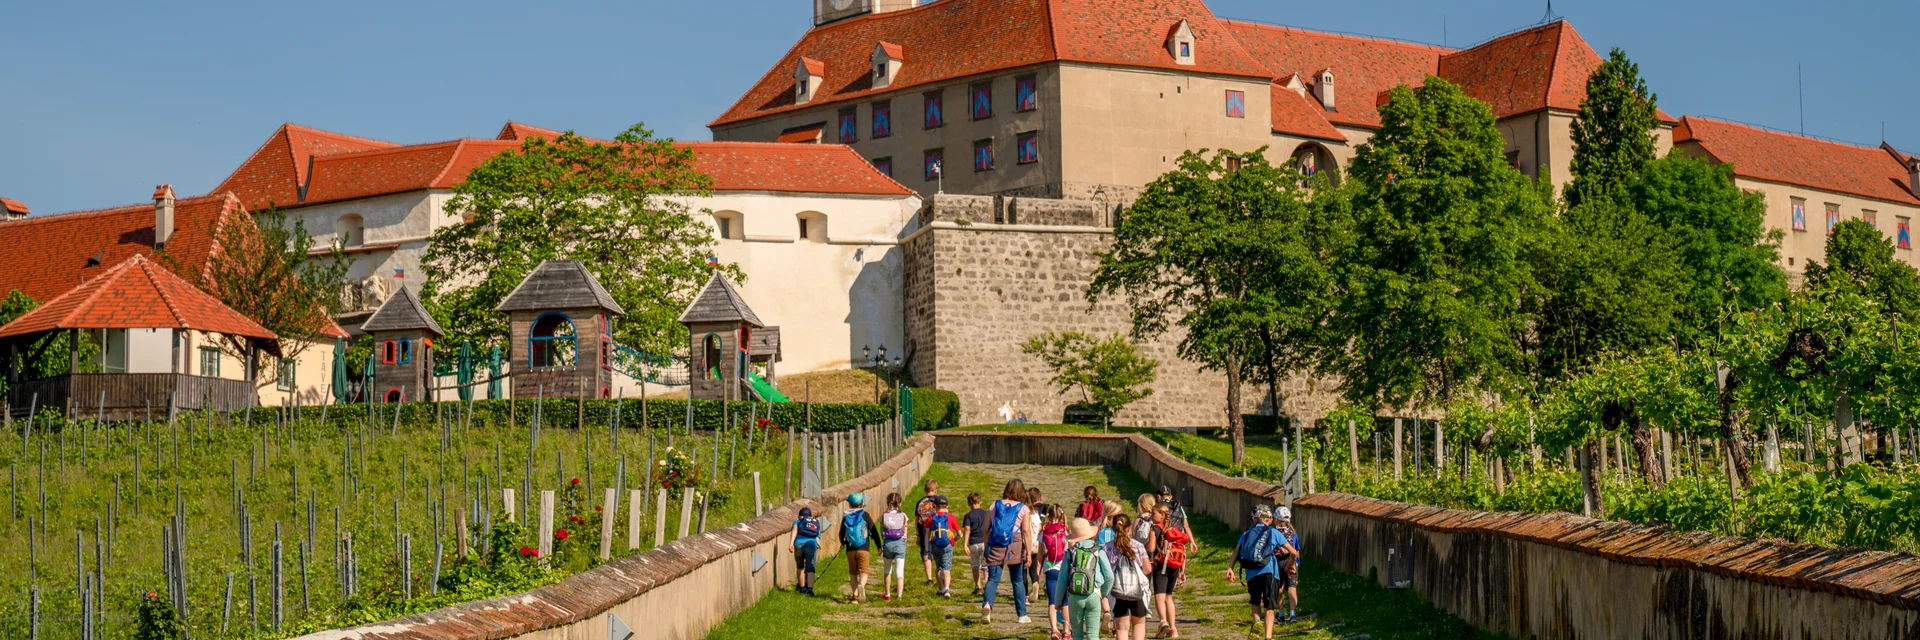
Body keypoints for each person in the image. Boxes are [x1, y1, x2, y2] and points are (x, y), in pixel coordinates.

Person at [1224, 505, 1295, 640]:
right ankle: (1268, 637)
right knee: (1269, 607)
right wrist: (1290, 565)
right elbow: (1293, 552)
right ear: (1269, 519)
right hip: (1270, 572)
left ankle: (1256, 621)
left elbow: (1236, 552)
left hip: (1251, 573)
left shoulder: (1246, 533)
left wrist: (1230, 568)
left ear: (1254, 519)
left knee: (1255, 602)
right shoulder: (1273, 532)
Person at [982, 479, 1034, 624]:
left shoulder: (994, 505)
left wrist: (986, 548)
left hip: (995, 543)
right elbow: (1026, 531)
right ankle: (1022, 615)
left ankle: (987, 604)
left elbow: (986, 529)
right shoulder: (1023, 508)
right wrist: (1029, 553)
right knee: (1017, 580)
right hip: (1015, 545)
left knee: (993, 579)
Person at [1054, 517, 1112, 640]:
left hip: (1075, 596)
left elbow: (1062, 579)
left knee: (1077, 635)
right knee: (1092, 635)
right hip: (1094, 594)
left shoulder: (1070, 553)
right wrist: (1103, 593)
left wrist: (1058, 601)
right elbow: (1109, 576)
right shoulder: (1098, 551)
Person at [1106, 513, 1153, 640]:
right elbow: (1147, 569)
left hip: (1117, 592)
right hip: (1137, 591)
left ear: (1113, 529)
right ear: (1129, 528)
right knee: (1138, 623)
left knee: (1121, 628)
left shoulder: (1107, 547)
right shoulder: (1138, 546)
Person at [1149, 503, 1191, 638]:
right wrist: (1182, 570)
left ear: (1162, 515)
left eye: (1153, 513)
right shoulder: (1174, 529)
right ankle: (1173, 629)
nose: (1151, 516)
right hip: (1174, 566)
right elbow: (1181, 548)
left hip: (1161, 566)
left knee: (1159, 596)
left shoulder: (1155, 528)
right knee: (1169, 596)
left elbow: (1151, 548)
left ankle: (1163, 621)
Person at [838, 492, 884, 603]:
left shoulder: (846, 517)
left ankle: (855, 596)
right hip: (864, 548)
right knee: (864, 571)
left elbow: (841, 533)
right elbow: (873, 531)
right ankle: (861, 585)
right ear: (862, 504)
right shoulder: (865, 515)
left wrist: (843, 542)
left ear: (849, 505)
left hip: (850, 549)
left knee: (853, 573)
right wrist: (879, 545)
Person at [1040, 506, 1071, 640]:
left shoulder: (1044, 531)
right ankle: (1066, 631)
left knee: (1052, 601)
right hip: (1063, 569)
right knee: (1065, 602)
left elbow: (1041, 554)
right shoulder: (1066, 531)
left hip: (1050, 569)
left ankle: (1054, 629)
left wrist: (1038, 573)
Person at [923, 495, 961, 597]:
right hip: (947, 545)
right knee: (946, 569)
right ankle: (947, 589)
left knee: (938, 567)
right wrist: (954, 540)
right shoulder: (951, 517)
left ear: (935, 506)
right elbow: (960, 534)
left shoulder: (931, 518)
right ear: (947, 506)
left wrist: (926, 550)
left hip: (935, 545)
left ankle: (940, 589)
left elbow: (927, 535)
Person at [913, 479, 946, 585]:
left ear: (925, 490)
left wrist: (918, 535)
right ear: (935, 490)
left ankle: (929, 579)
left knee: (926, 552)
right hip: (938, 528)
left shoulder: (920, 502)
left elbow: (917, 520)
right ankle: (942, 575)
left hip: (924, 530)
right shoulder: (940, 501)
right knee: (940, 552)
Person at [880, 492, 910, 601]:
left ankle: (887, 594)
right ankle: (899, 596)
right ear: (900, 503)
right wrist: (904, 538)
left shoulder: (884, 515)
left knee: (887, 569)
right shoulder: (903, 515)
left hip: (888, 543)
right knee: (899, 571)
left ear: (887, 503)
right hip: (900, 543)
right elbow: (905, 530)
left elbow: (882, 531)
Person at [1274, 506, 1302, 623]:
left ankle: (1281, 614)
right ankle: (1293, 614)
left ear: (1276, 519)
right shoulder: (1293, 533)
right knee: (1292, 588)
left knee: (1278, 589)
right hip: (1291, 561)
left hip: (1277, 562)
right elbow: (1296, 551)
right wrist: (1295, 563)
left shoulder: (1273, 533)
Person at [789, 507, 823, 596]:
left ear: (799, 516)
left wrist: (791, 544)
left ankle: (802, 588)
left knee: (800, 567)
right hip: (811, 545)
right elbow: (816, 535)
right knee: (811, 567)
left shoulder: (797, 522)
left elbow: (794, 532)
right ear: (810, 516)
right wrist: (818, 544)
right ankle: (810, 589)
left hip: (798, 545)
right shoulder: (814, 523)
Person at [961, 493, 990, 593]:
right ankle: (987, 583)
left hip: (973, 543)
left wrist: (965, 544)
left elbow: (967, 529)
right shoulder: (986, 514)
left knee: (975, 565)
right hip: (985, 542)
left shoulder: (968, 515)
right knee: (986, 564)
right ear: (980, 502)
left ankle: (977, 586)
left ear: (968, 504)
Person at [1026, 487, 1046, 605]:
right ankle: (1035, 582)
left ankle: (1025, 595)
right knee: (1034, 569)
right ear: (1040, 498)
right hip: (1038, 544)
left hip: (1026, 545)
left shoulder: (1026, 511)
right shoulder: (1044, 510)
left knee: (1023, 571)